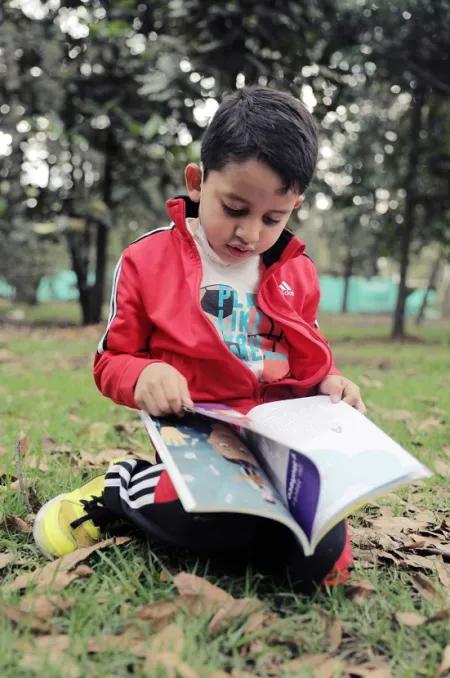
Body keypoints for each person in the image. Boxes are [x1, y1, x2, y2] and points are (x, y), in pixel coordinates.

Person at [33, 87, 365, 591]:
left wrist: (334, 387)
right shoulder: (146, 262)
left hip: (277, 450)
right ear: (197, 181)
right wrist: (145, 373)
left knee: (324, 566)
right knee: (199, 520)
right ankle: (122, 489)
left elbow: (312, 368)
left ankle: (257, 527)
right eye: (234, 208)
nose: (250, 233)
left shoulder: (296, 272)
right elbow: (110, 361)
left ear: (293, 206)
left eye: (273, 218)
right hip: (197, 441)